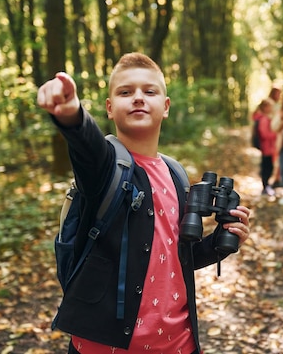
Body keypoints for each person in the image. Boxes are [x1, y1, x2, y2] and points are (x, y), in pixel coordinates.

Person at [36, 52, 251, 353]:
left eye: (149, 91)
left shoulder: (175, 174)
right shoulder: (106, 168)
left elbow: (176, 257)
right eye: (126, 92)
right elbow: (88, 146)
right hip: (106, 347)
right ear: (110, 108)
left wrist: (218, 242)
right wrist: (72, 115)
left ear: (165, 107)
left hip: (179, 344)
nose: (138, 98)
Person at [255, 98, 277, 196]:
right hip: (266, 147)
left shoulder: (267, 118)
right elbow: (264, 134)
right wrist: (275, 134)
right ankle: (265, 186)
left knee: (269, 166)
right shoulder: (263, 119)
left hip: (270, 147)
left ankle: (266, 185)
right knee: (267, 167)